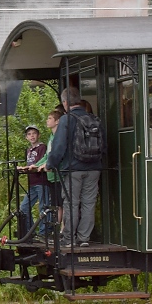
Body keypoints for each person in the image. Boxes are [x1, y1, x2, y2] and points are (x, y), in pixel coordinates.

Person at [46, 86, 101, 248]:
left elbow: (59, 146)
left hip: (74, 169)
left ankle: (69, 238)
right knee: (89, 203)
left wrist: (51, 164)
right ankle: (84, 238)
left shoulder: (66, 120)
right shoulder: (92, 118)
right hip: (94, 168)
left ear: (65, 103)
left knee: (71, 203)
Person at [35, 109, 64, 236]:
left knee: (61, 203)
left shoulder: (59, 137)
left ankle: (62, 229)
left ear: (57, 121)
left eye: (50, 118)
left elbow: (56, 155)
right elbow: (48, 155)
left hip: (59, 175)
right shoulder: (51, 137)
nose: (47, 121)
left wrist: (47, 165)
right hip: (51, 175)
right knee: (56, 204)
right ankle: (57, 229)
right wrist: (35, 165)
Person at [15, 124, 47, 238]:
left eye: (34, 133)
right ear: (26, 137)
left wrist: (28, 168)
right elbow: (30, 164)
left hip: (42, 181)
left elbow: (39, 163)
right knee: (24, 207)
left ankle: (44, 233)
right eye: (29, 134)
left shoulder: (42, 147)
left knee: (43, 207)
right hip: (32, 182)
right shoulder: (28, 150)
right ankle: (31, 231)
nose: (32, 136)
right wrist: (23, 168)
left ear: (38, 135)